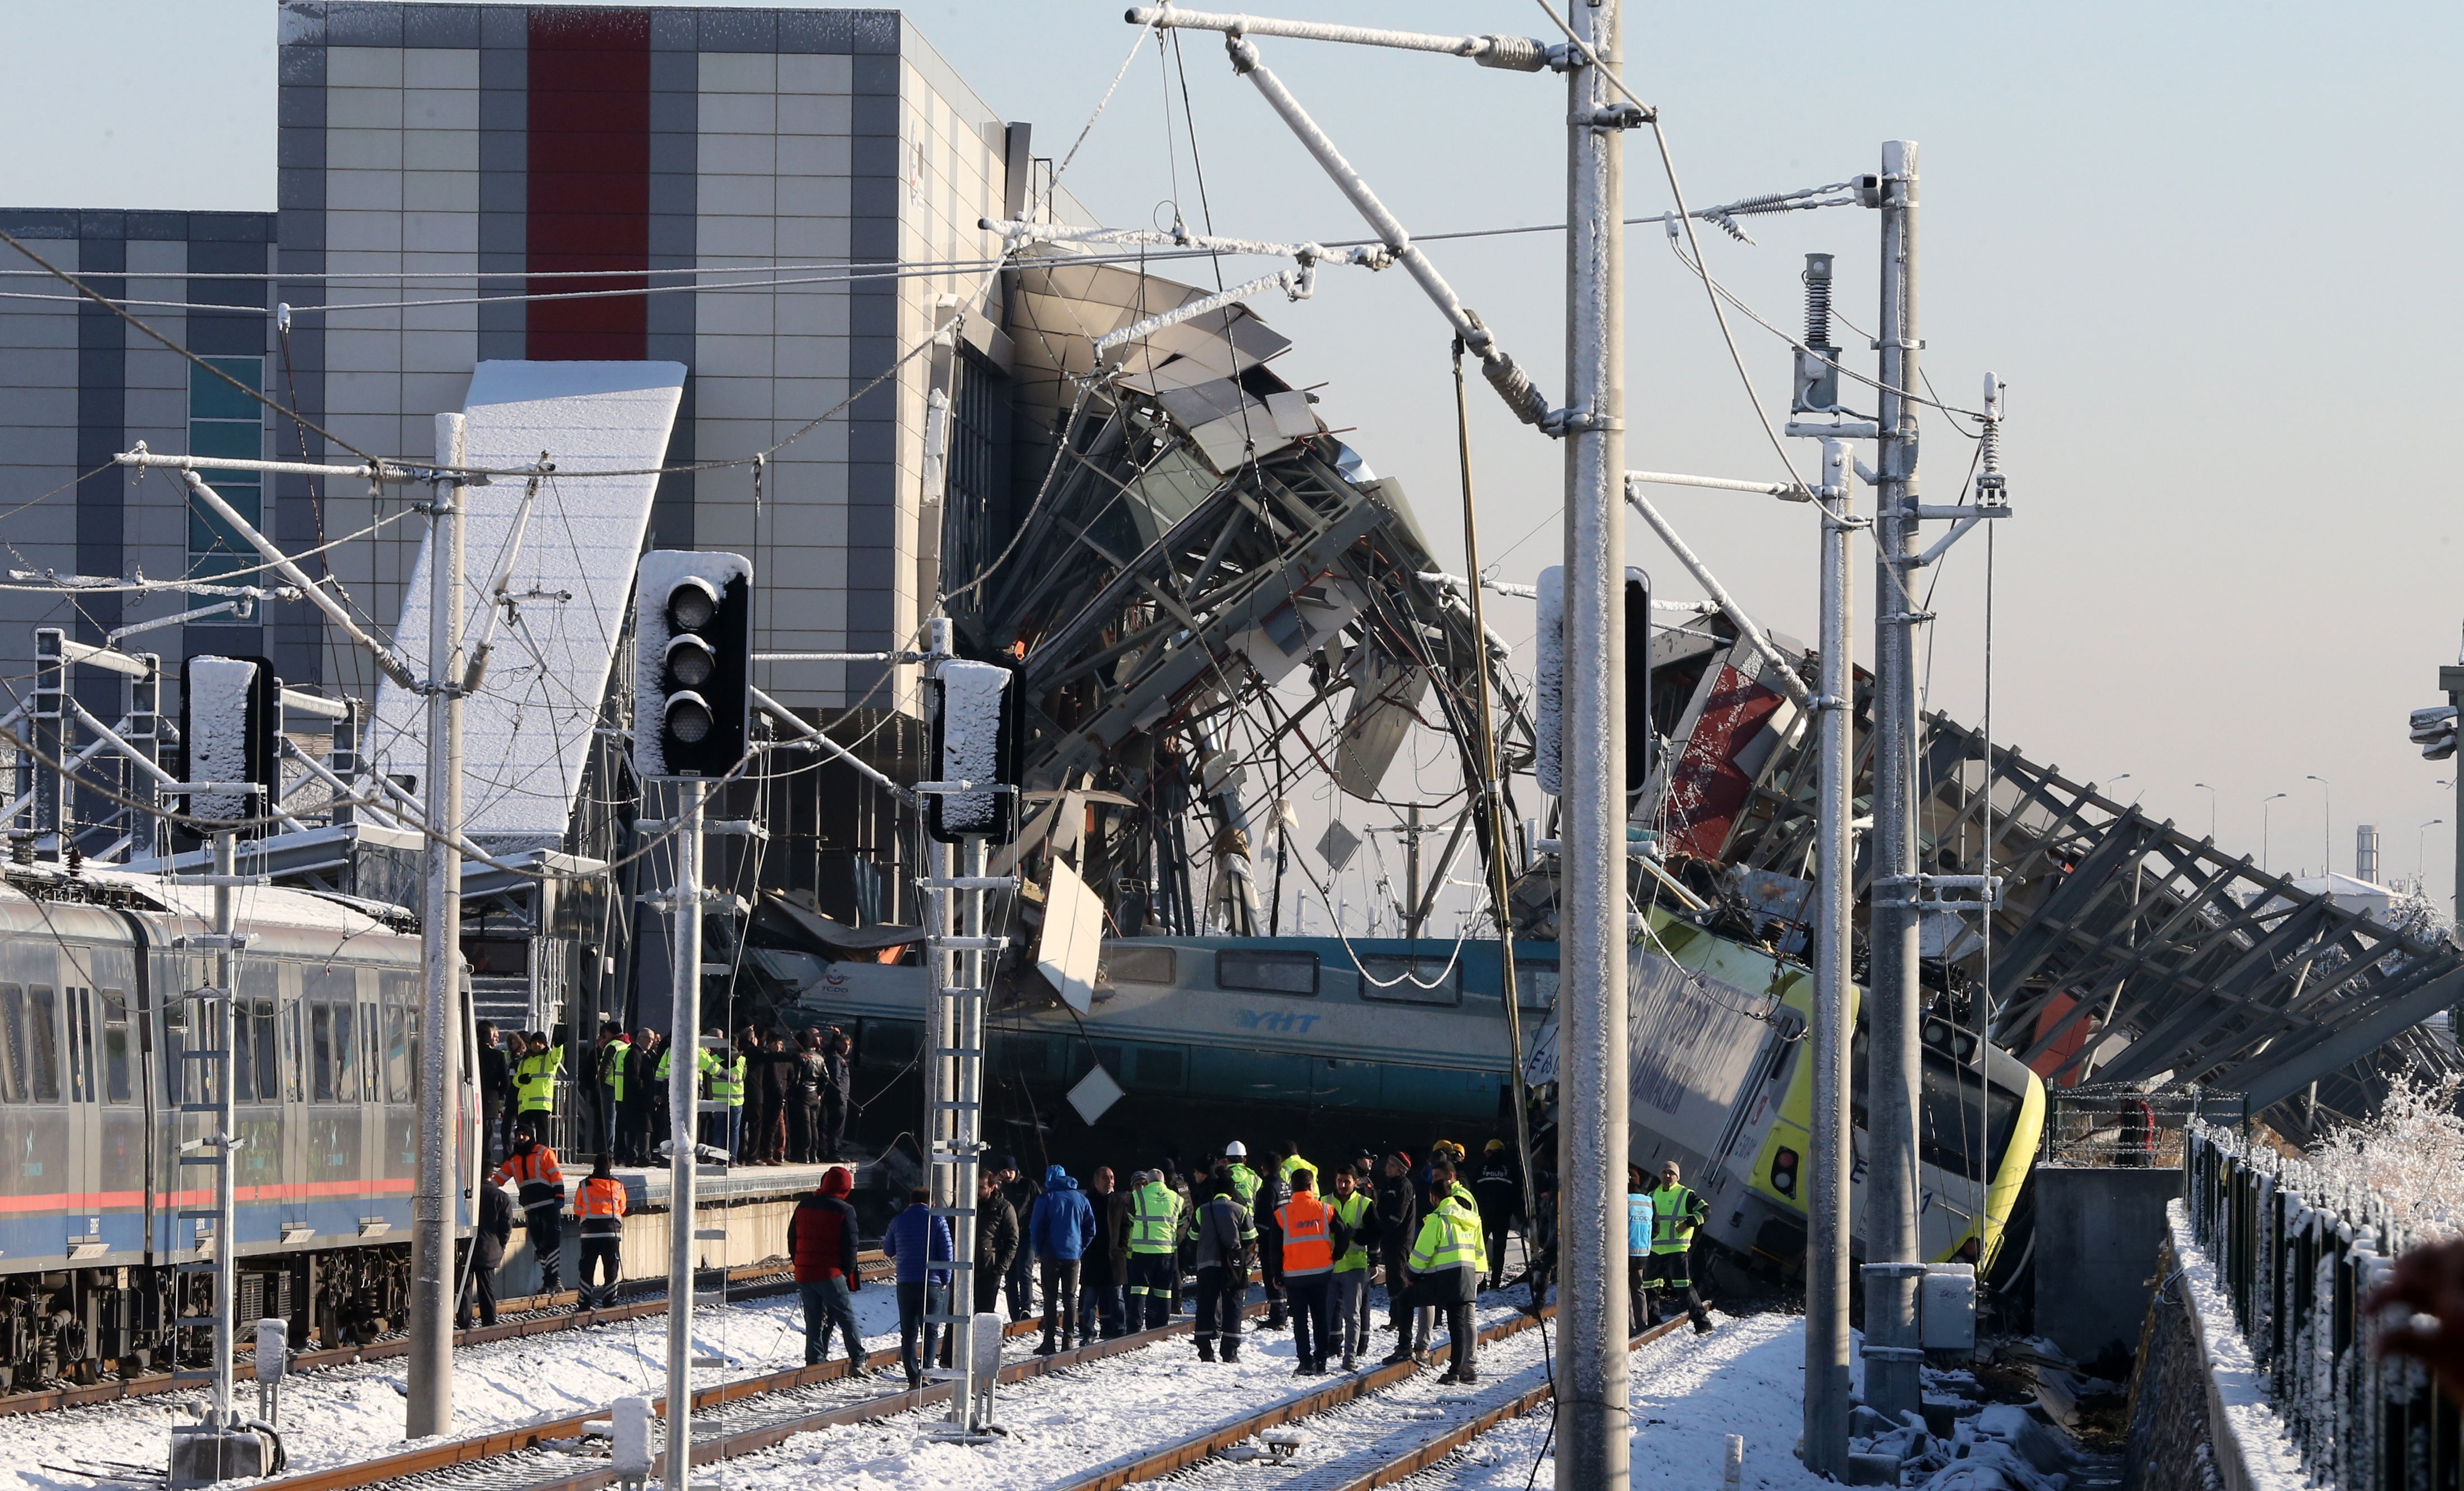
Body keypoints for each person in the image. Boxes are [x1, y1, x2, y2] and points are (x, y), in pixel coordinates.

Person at [1391, 1162, 1484, 1383]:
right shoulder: (1469, 1218)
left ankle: (1405, 1347)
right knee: (1458, 1325)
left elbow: (1422, 1254)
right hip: (1467, 1276)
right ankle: (1459, 1372)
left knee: (1404, 1300)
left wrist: (1411, 1276)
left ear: (1434, 1198)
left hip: (1443, 1279)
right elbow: (1478, 1247)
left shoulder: (1437, 1219)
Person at [788, 1168, 866, 1369]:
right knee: (846, 1317)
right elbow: (851, 1246)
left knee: (813, 1320)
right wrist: (847, 1271)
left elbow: (792, 1237)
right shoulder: (845, 1210)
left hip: (804, 1272)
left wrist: (798, 1261)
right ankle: (858, 1359)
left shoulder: (804, 1205)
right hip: (830, 1272)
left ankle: (814, 1361)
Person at [883, 1187, 953, 1390]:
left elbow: (889, 1250)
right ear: (932, 1204)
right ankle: (927, 1373)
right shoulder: (938, 1220)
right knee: (931, 1330)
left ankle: (913, 1377)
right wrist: (945, 1279)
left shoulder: (897, 1221)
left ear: (910, 1203)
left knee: (909, 1333)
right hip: (932, 1284)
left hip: (905, 1284)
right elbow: (947, 1254)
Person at [1028, 1163, 1098, 1353]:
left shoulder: (1046, 1198)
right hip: (1073, 1255)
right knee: (1070, 1299)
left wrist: (1038, 1250)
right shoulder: (1080, 1199)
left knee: (1050, 1299)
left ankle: (1049, 1341)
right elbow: (1091, 1229)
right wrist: (1080, 1248)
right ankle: (1068, 1341)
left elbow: (1036, 1227)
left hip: (1051, 1254)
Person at [492, 1126, 566, 1293]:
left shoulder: (544, 1153)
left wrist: (559, 1197)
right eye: (518, 1135)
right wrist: (485, 1188)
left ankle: (550, 1282)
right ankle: (553, 1280)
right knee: (540, 1246)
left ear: (531, 1136)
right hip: (531, 1208)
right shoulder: (514, 1160)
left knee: (552, 1244)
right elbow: (499, 1180)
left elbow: (556, 1175)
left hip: (549, 1205)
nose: (521, 1138)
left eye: (524, 1135)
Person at [1189, 1176, 1256, 1362]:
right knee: (1233, 1305)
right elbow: (1251, 1240)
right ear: (1232, 1192)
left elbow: (1193, 1237)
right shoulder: (1240, 1211)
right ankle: (1230, 1352)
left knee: (1205, 1306)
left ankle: (1205, 1350)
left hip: (1207, 1265)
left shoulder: (1202, 1211)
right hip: (1232, 1267)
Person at [1643, 1159, 1715, 1333]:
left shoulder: (1686, 1195)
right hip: (1655, 1249)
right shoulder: (1652, 1195)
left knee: (1683, 1287)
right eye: (1664, 1172)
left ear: (1677, 1177)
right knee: (1650, 1288)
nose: (1667, 1175)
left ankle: (1702, 1324)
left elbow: (1705, 1211)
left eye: (1671, 1173)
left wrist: (1689, 1222)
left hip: (1677, 1249)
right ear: (1660, 1175)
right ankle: (1653, 1323)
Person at [1278, 1168, 1336, 1375]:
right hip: (1321, 1273)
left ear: (1292, 1188)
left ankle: (1305, 1360)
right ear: (1311, 1186)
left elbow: (1274, 1247)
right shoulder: (1325, 1209)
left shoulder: (1283, 1213)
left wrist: (1277, 1274)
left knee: (1300, 1320)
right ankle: (1321, 1360)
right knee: (1321, 1316)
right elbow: (1344, 1234)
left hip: (1294, 1276)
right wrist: (1335, 1256)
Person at [1328, 1165, 1379, 1371]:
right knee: (1326, 1313)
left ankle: (1350, 1357)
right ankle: (1324, 1352)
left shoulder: (1365, 1204)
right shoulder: (1325, 1202)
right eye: (1339, 1181)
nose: (1342, 1185)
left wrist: (1355, 1234)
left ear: (1355, 1183)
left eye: (1346, 1182)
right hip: (1330, 1265)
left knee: (1352, 1314)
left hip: (1355, 1266)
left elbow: (1376, 1233)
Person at [1126, 1168, 1183, 1332]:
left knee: (1138, 1289)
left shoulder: (1137, 1196)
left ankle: (1135, 1327)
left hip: (1142, 1251)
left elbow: (1130, 1219)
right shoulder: (1176, 1198)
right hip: (1166, 1251)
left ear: (1149, 1182)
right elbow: (1183, 1221)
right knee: (1164, 1291)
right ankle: (1160, 1327)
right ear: (1164, 1181)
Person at [457, 1173, 514, 1328]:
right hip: (489, 1250)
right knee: (487, 1290)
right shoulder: (501, 1197)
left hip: (465, 1248)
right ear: (492, 1175)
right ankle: (489, 1325)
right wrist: (501, 1246)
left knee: (464, 1289)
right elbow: (506, 1227)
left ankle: (464, 1324)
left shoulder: (465, 1195)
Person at [1081, 1165, 1131, 1341]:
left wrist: (1122, 1248)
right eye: (1105, 1178)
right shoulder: (1087, 1201)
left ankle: (1119, 1330)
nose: (1109, 1181)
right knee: (1090, 1300)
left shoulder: (1119, 1201)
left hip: (1114, 1257)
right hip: (1093, 1257)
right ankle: (1088, 1332)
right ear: (1096, 1182)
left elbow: (1126, 1226)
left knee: (1117, 1298)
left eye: (1111, 1178)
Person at [1373, 1151, 1419, 1338]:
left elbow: (1397, 1217)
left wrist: (1380, 1231)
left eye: (1392, 1166)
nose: (1388, 1168)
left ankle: (1401, 1317)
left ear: (1401, 1169)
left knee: (1398, 1278)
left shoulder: (1404, 1186)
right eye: (1388, 1164)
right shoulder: (1390, 1185)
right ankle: (1395, 1317)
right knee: (1393, 1278)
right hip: (1390, 1240)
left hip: (1399, 1240)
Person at [574, 1153, 628, 1311]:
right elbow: (623, 1208)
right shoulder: (618, 1185)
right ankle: (610, 1302)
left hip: (589, 1234)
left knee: (587, 1268)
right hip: (611, 1234)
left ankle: (584, 1303)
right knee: (611, 1268)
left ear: (594, 1165)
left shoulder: (584, 1185)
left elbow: (577, 1209)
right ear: (610, 1166)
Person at [995, 1157, 1042, 1321]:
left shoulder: (1028, 1185)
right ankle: (1014, 1312)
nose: (1008, 1174)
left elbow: (1039, 1206)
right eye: (1004, 1171)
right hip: (1007, 1238)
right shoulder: (1000, 1189)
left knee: (1025, 1271)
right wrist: (995, 1186)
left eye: (1010, 1171)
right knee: (1010, 1276)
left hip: (1026, 1235)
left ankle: (1026, 1308)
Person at [1474, 1139, 1523, 1291]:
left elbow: (1474, 1192)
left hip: (1483, 1217)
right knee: (1499, 1250)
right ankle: (1495, 1284)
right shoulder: (1511, 1170)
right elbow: (1517, 1194)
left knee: (1480, 1251)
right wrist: (1513, 1213)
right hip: (1503, 1217)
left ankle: (1480, 1284)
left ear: (1489, 1153)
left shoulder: (1481, 1169)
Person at [974, 1171, 1020, 1319]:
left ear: (992, 1188)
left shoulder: (1004, 1208)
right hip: (964, 1268)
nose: (977, 1191)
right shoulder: (964, 1203)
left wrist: (1001, 1268)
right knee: (956, 1315)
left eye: (981, 1187)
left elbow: (1012, 1240)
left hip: (989, 1269)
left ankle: (979, 1343)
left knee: (983, 1316)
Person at [513, 1032, 561, 1145]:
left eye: (540, 1042)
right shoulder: (525, 1060)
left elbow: (557, 1056)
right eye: (534, 1042)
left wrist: (558, 1046)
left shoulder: (549, 1059)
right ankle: (526, 1156)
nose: (537, 1044)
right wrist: (521, 1079)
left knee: (542, 1136)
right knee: (524, 1136)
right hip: (525, 1104)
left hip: (541, 1104)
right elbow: (515, 1081)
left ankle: (541, 1158)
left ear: (545, 1044)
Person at [474, 1021, 511, 1169]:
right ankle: (486, 1165)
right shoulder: (497, 1056)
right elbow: (506, 1082)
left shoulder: (471, 1053)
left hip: (471, 1099)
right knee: (488, 1135)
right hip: (490, 1100)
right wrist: (498, 1095)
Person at [593, 1024, 630, 1163]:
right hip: (622, 1087)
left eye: (604, 1033)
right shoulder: (626, 1044)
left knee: (609, 1121)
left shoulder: (612, 1046)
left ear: (610, 1033)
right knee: (620, 1122)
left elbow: (605, 1068)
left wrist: (599, 1085)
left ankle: (609, 1152)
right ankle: (620, 1151)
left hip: (609, 1087)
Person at [789, 1030, 826, 1164]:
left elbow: (797, 1078)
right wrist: (821, 1093)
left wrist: (792, 1092)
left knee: (805, 1125)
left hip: (803, 1093)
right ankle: (813, 1154)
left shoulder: (802, 1057)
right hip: (815, 1094)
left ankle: (803, 1154)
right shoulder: (820, 1057)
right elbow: (826, 1077)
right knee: (813, 1125)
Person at [1626, 1165, 1655, 1334]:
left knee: (1624, 1291)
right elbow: (1656, 1228)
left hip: (1624, 1252)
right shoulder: (1649, 1201)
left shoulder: (1624, 1199)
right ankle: (1643, 1326)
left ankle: (1629, 1328)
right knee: (1638, 1289)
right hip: (1642, 1253)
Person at [820, 1028, 854, 1160]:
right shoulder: (836, 1058)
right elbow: (835, 1078)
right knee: (836, 1126)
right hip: (838, 1098)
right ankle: (834, 1153)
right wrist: (840, 1096)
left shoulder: (839, 1058)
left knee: (837, 1126)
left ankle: (833, 1152)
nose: (847, 1048)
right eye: (844, 1044)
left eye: (849, 1045)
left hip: (841, 1097)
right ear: (839, 1045)